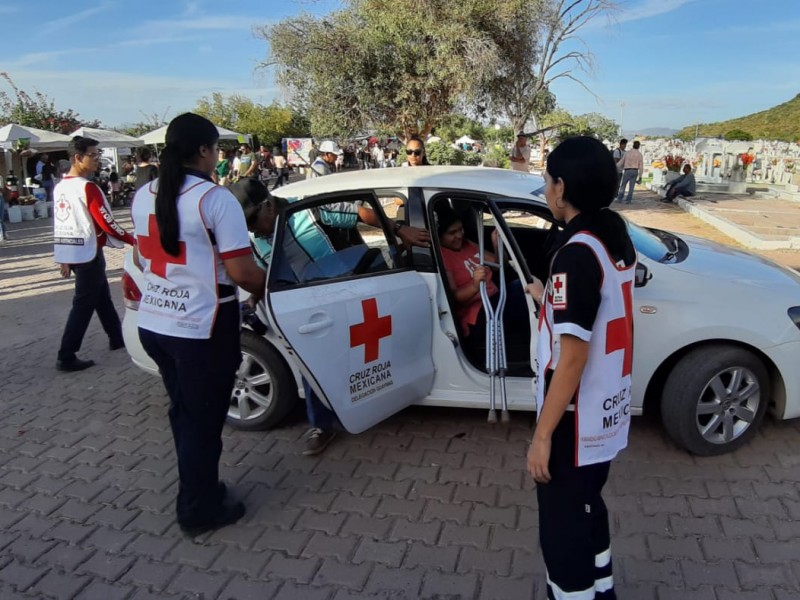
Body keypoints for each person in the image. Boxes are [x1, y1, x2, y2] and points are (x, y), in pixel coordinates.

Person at [131, 113, 266, 536]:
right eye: (216, 148)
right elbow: (243, 273)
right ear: (206, 150)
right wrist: (275, 282)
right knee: (202, 423)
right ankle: (198, 509)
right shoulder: (215, 199)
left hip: (155, 323)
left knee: (185, 414)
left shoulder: (142, 195)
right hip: (202, 328)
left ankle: (200, 484)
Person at [527, 135, 635, 600]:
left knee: (562, 527)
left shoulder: (575, 255)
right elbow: (598, 306)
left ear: (562, 187)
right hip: (606, 414)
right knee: (589, 504)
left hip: (573, 420)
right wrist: (544, 296)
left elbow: (572, 358)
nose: (546, 188)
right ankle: (603, 590)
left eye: (548, 180)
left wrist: (542, 436)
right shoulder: (611, 235)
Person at [53, 136, 136, 372]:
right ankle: (66, 354)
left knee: (101, 297)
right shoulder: (86, 187)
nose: (98, 160)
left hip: (76, 250)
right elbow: (107, 222)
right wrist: (132, 240)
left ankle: (116, 338)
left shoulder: (61, 187)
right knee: (83, 304)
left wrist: (63, 256)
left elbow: (61, 224)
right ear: (78, 158)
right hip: (88, 253)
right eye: (93, 155)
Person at [437, 207, 530, 348]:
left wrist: (496, 244)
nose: (459, 236)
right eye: (452, 233)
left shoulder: (468, 244)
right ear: (440, 236)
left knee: (526, 285)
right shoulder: (443, 256)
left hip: (494, 299)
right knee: (521, 289)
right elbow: (454, 297)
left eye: (460, 229)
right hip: (477, 313)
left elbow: (500, 265)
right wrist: (474, 286)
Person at [615, 140, 643, 204]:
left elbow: (621, 162)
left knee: (623, 185)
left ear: (633, 145)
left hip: (627, 170)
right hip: (635, 171)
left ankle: (619, 199)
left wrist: (614, 167)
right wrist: (640, 176)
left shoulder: (627, 153)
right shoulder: (639, 154)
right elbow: (641, 166)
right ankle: (628, 200)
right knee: (631, 186)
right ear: (638, 146)